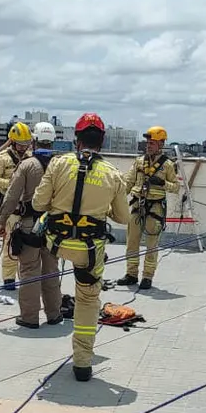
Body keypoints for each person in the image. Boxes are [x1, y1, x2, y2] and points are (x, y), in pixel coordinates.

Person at [32, 113, 130, 382]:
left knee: (50, 276)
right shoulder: (112, 174)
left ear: (76, 140)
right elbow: (122, 217)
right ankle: (83, 363)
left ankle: (47, 311)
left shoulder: (58, 164)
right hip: (89, 251)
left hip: (57, 244)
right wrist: (101, 207)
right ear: (102, 140)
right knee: (88, 300)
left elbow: (39, 205)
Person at [0, 122, 62, 328]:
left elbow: (11, 196)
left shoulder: (27, 165)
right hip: (55, 226)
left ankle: (30, 317)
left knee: (29, 270)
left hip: (30, 225)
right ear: (53, 141)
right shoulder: (62, 164)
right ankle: (54, 315)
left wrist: (1, 221)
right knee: (51, 270)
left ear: (34, 140)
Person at [116, 126, 179, 289]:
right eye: (148, 142)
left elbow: (176, 187)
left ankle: (147, 277)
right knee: (132, 241)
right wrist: (118, 199)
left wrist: (163, 183)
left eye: (152, 143)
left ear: (160, 144)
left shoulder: (167, 165)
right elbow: (128, 182)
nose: (148, 145)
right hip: (137, 205)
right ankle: (131, 274)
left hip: (155, 208)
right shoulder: (139, 161)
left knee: (152, 244)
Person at [0, 122, 33, 290]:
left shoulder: (30, 158)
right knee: (10, 244)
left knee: (28, 245)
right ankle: (8, 278)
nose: (23, 147)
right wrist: (12, 185)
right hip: (10, 208)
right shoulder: (1, 158)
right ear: (13, 142)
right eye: (20, 144)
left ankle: (25, 276)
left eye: (26, 144)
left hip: (27, 207)